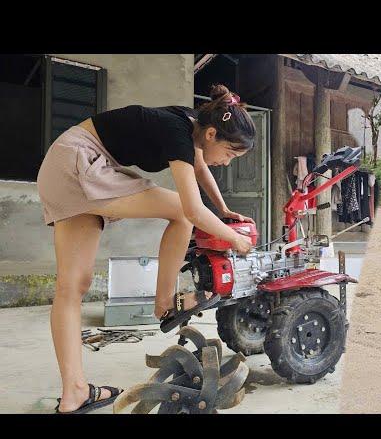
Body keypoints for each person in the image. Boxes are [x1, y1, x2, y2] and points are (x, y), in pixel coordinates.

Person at [36, 84, 256, 413]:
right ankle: (164, 303)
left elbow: (200, 169)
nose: (226, 163)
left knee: (73, 286)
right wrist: (234, 238)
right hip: (81, 161)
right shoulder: (178, 131)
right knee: (182, 212)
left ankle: (75, 393)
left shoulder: (191, 125)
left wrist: (223, 210)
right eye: (231, 154)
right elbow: (193, 210)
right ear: (212, 134)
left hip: (63, 165)